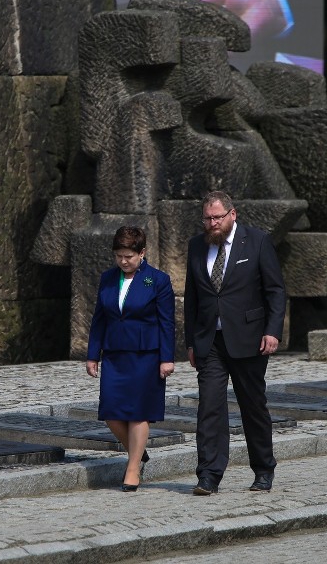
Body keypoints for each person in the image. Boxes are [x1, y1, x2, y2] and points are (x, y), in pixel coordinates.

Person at [184, 191, 286, 495]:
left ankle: (264, 469)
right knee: (209, 407)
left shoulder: (256, 241)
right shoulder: (196, 246)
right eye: (208, 218)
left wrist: (273, 331)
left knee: (252, 405)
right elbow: (192, 298)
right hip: (210, 342)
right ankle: (209, 476)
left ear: (233, 214)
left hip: (249, 339)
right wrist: (190, 341)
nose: (213, 223)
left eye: (218, 217)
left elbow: (275, 291)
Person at [86, 226, 176, 492]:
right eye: (119, 256)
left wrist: (166, 358)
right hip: (114, 355)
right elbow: (99, 319)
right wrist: (93, 354)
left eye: (129, 256)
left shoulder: (157, 280)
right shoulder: (108, 278)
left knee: (138, 413)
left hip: (146, 355)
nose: (123, 261)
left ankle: (133, 467)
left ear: (142, 253)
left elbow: (166, 323)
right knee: (111, 412)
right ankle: (138, 452)